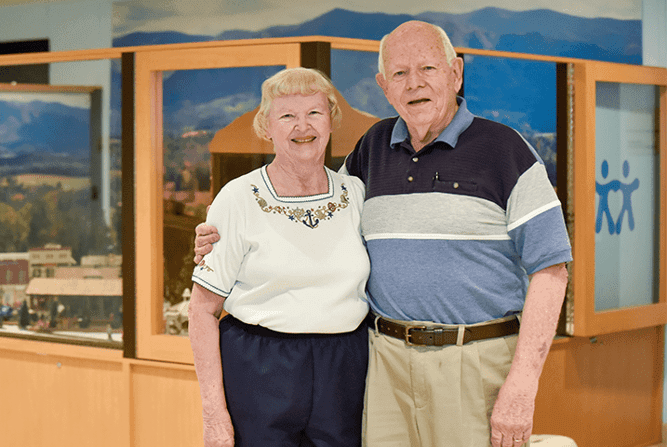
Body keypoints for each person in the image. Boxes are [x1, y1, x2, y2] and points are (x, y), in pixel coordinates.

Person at [194, 21, 572, 447]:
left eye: (427, 68)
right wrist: (216, 238)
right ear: (384, 86)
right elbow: (313, 210)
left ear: (456, 73)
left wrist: (523, 384)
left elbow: (551, 269)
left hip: (474, 363)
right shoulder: (371, 150)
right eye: (399, 74)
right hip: (382, 364)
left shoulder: (506, 150)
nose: (414, 84)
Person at [188, 67, 371, 447]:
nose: (302, 126)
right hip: (258, 368)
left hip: (345, 369)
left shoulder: (356, 194)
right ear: (266, 127)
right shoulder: (237, 199)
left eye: (314, 113)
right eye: (287, 115)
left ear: (331, 121)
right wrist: (213, 413)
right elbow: (201, 311)